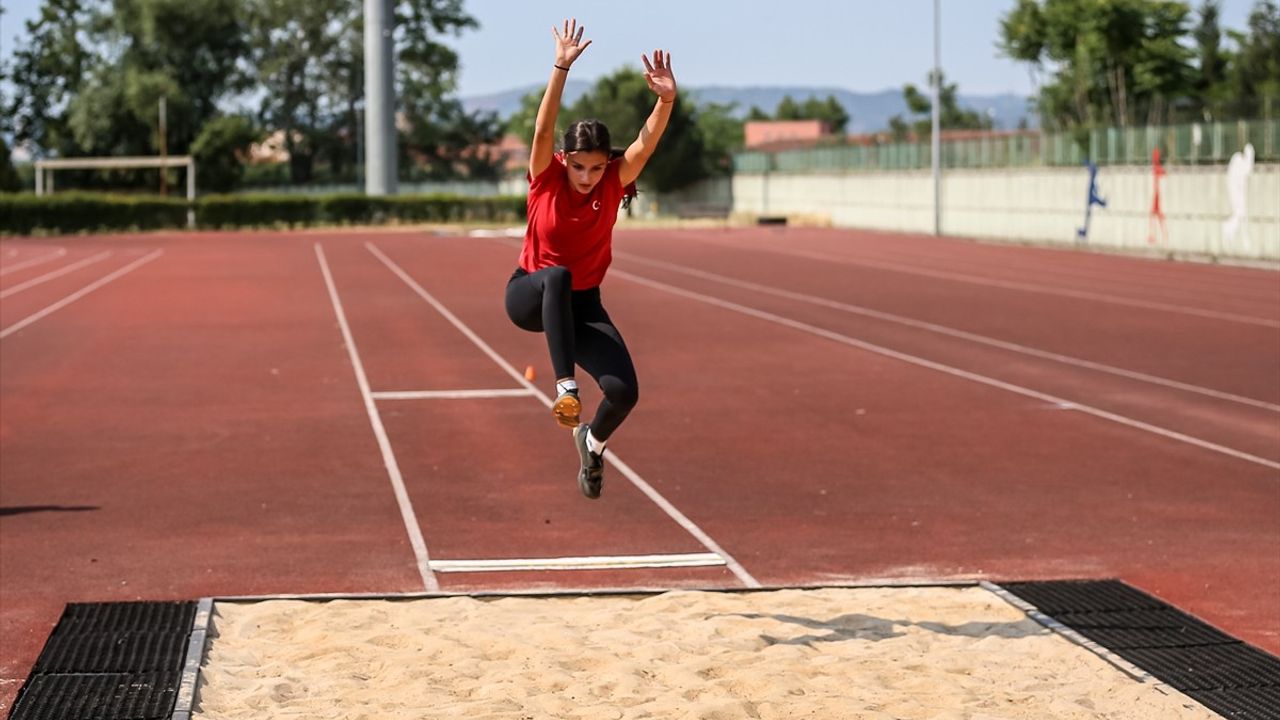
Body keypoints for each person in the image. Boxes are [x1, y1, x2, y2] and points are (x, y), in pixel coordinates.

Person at [504, 19, 677, 499]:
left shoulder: (613, 181)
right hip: (529, 292)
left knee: (624, 392)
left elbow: (645, 144)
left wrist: (665, 101)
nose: (586, 177)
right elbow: (542, 127)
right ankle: (565, 389)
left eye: (597, 168)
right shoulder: (546, 176)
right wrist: (560, 66)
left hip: (582, 305)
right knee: (556, 275)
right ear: (564, 159)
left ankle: (592, 444)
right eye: (579, 166)